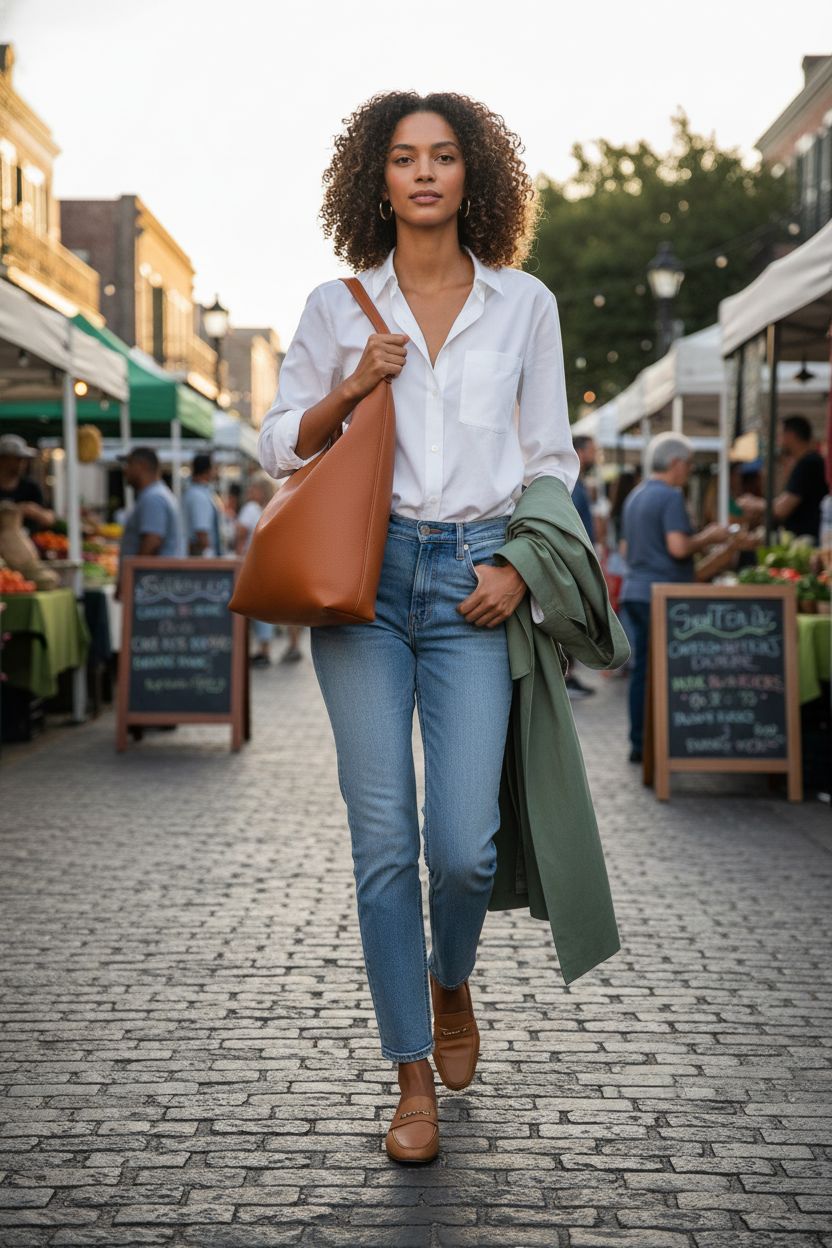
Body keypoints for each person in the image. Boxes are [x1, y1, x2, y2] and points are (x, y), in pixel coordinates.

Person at [257, 92, 581, 1164]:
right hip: (363, 581)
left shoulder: (523, 302)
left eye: (444, 157)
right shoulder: (335, 304)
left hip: (474, 584)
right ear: (377, 180)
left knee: (465, 848)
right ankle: (409, 1079)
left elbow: (550, 461)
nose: (426, 174)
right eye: (404, 159)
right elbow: (277, 445)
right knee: (385, 840)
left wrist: (518, 567)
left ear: (472, 176)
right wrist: (353, 382)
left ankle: (453, 984)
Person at [619, 432, 728, 764]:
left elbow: (625, 549)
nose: (689, 472)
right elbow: (678, 547)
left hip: (635, 590)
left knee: (642, 672)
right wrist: (709, 537)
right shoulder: (669, 496)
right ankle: (656, 743)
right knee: (666, 671)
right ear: (677, 463)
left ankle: (640, 741)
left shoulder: (635, 496)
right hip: (662, 594)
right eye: (689, 465)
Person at [738, 414, 828, 542]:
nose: (778, 441)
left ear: (790, 435)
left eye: (780, 435)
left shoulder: (809, 463)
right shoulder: (807, 462)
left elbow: (781, 508)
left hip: (806, 541)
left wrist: (754, 503)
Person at [116, 448, 184, 594]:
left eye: (128, 464)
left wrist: (131, 578)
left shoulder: (153, 498)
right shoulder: (157, 494)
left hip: (152, 587)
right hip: (157, 585)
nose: (125, 470)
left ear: (141, 465)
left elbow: (152, 541)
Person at [564, 434, 599, 698]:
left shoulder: (577, 482)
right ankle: (566, 675)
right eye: (592, 450)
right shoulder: (572, 483)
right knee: (572, 618)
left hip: (576, 560)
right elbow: (573, 524)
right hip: (574, 562)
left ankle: (568, 674)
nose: (596, 455)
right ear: (579, 451)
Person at [0, 433, 55, 534]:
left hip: (29, 544)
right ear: (3, 460)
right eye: (18, 459)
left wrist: (34, 511)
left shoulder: (30, 487)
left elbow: (49, 518)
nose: (22, 463)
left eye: (23, 459)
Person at [183, 453, 224, 556]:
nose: (216, 471)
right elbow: (201, 532)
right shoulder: (198, 495)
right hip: (203, 560)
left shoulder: (196, 492)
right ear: (207, 470)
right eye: (214, 467)